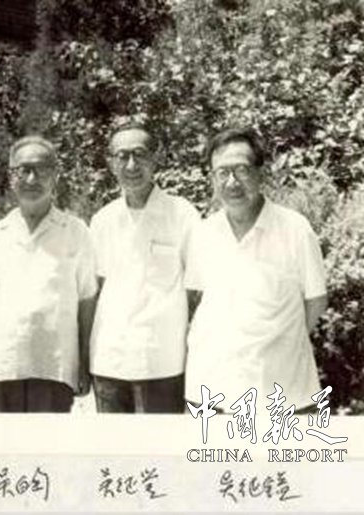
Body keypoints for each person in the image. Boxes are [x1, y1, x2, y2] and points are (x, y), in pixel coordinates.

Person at [184, 127, 328, 412]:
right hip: (211, 390)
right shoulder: (203, 232)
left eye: (241, 170)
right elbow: (196, 301)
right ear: (212, 178)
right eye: (222, 172)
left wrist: (280, 343)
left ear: (261, 173)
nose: (232, 182)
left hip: (282, 391)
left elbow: (316, 301)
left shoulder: (294, 229)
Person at [0, 135, 97, 412]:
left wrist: (84, 363)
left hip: (54, 368)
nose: (32, 179)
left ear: (56, 176)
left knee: (47, 441)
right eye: (24, 170)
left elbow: (87, 302)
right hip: (1, 367)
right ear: (11, 177)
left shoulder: (76, 231)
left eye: (41, 170)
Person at [89, 118, 200, 413]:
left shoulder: (183, 215)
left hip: (162, 359)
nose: (131, 165)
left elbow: (197, 289)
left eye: (139, 154)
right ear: (111, 163)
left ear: (156, 158)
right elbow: (94, 290)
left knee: (161, 441)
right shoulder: (103, 220)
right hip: (109, 359)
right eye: (122, 156)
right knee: (112, 443)